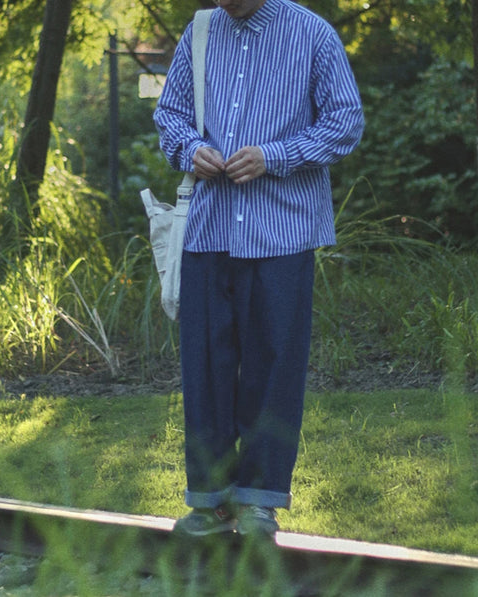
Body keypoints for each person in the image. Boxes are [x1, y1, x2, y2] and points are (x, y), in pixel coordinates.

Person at [154, 0, 364, 537]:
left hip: (284, 233)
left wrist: (277, 156)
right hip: (209, 230)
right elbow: (170, 115)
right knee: (206, 369)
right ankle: (209, 499)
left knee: (274, 370)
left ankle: (258, 503)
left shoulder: (312, 34)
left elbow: (346, 122)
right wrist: (190, 148)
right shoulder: (199, 32)